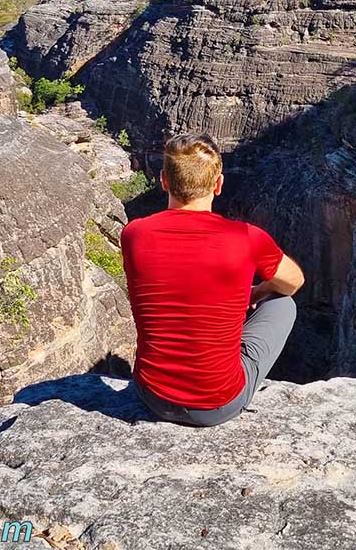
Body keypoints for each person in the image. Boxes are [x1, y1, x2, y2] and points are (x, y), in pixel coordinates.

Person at [120, 132, 305, 427]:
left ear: (164, 180)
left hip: (151, 396)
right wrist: (257, 293)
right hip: (219, 405)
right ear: (218, 185)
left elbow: (179, 281)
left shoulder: (134, 234)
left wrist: (248, 294)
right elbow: (294, 282)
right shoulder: (246, 238)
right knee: (284, 304)